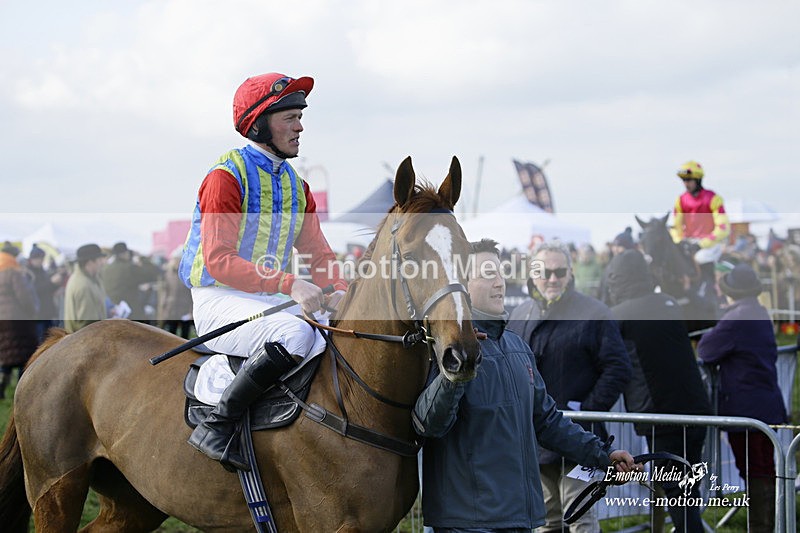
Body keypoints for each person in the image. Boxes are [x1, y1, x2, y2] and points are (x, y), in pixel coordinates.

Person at [178, 72, 347, 472]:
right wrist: (289, 282)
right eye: (290, 117)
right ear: (259, 123)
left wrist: (338, 288)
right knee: (296, 333)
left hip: (266, 299)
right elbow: (218, 259)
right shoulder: (225, 176)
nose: (300, 126)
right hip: (217, 298)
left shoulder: (297, 186)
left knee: (334, 330)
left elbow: (318, 254)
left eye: (300, 116)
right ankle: (218, 425)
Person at [414, 239, 638, 532]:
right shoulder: (444, 348)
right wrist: (456, 371)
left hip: (519, 518)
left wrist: (602, 455)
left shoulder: (516, 346)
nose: (499, 283)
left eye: (501, 273)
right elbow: (429, 424)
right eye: (487, 273)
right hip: (467, 522)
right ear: (462, 285)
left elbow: (547, 421)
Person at [508, 240, 631, 533]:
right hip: (536, 440)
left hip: (581, 438)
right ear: (532, 273)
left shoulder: (594, 313)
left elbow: (618, 367)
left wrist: (588, 409)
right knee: (545, 520)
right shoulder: (520, 313)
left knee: (580, 519)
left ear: (570, 273)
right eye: (545, 272)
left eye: (559, 272)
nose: (552, 278)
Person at [605, 248, 712, 532]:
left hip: (661, 415)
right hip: (694, 408)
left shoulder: (619, 314)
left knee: (676, 491)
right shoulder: (667, 302)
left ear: (615, 279)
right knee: (687, 489)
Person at [696, 263, 786, 532]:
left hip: (746, 409)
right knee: (765, 470)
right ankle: (771, 524)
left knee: (755, 471)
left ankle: (761, 527)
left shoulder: (737, 318)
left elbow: (706, 350)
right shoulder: (758, 312)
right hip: (765, 404)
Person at [670, 160, 730, 308]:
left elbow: (723, 227)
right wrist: (680, 241)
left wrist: (702, 243)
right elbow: (675, 227)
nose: (686, 183)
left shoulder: (713, 198)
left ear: (698, 179)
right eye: (684, 180)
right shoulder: (680, 200)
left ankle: (713, 292)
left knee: (701, 258)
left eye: (689, 180)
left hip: (709, 244)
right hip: (689, 243)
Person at [0, 246, 39, 399]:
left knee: (6, 355)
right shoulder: (12, 273)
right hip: (18, 322)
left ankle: (2, 386)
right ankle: (23, 391)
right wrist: (32, 311)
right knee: (25, 357)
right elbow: (25, 297)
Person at [103, 242, 161, 322]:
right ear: (124, 253)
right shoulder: (129, 268)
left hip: (113, 311)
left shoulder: (106, 269)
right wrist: (142, 258)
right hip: (131, 310)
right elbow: (153, 272)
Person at [63, 243, 110, 334]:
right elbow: (87, 326)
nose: (102, 263)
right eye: (99, 260)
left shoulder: (91, 279)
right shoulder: (83, 285)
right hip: (87, 341)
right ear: (89, 262)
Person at [26, 245, 66, 341]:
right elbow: (34, 290)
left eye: (42, 258)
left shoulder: (42, 271)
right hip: (38, 315)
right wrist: (51, 282)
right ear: (32, 259)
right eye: (38, 258)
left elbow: (47, 289)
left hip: (47, 312)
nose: (41, 261)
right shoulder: (28, 273)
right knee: (40, 342)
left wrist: (56, 286)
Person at [158, 252, 194, 338]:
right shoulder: (167, 275)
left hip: (184, 309)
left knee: (184, 335)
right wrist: (163, 309)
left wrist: (191, 311)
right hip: (171, 309)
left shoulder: (187, 275)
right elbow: (164, 293)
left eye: (177, 260)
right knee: (171, 333)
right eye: (174, 260)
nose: (175, 262)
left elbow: (191, 295)